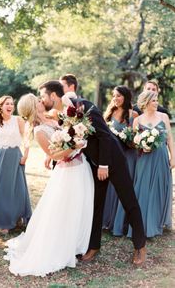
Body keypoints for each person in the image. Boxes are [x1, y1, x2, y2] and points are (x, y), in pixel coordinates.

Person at [38, 80, 146, 265]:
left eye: (43, 96)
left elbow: (104, 134)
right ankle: (93, 245)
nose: (42, 100)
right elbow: (72, 140)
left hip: (112, 160)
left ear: (53, 96)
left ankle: (140, 247)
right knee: (95, 205)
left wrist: (104, 165)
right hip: (92, 164)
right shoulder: (62, 115)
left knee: (129, 201)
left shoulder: (84, 106)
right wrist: (53, 153)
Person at [4, 93, 94, 277]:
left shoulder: (54, 117)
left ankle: (77, 243)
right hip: (68, 172)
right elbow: (55, 155)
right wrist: (75, 146)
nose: (41, 100)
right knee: (65, 209)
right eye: (37, 100)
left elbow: (67, 133)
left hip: (80, 165)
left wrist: (78, 137)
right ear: (33, 106)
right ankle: (63, 245)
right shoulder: (38, 131)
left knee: (81, 205)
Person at [127, 91, 174, 238]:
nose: (156, 103)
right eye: (154, 100)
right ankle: (143, 224)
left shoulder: (163, 117)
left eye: (157, 100)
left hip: (160, 156)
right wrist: (142, 145)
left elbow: (170, 139)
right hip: (144, 158)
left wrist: (173, 157)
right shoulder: (137, 120)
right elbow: (134, 141)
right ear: (146, 102)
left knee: (160, 187)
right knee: (143, 188)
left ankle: (157, 222)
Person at [0, 95, 32, 234]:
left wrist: (26, 155)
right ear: (0, 107)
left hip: (15, 157)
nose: (10, 106)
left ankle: (16, 218)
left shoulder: (18, 120)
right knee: (1, 191)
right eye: (7, 104)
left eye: (12, 104)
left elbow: (26, 138)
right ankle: (4, 222)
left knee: (17, 189)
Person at [102, 86, 138, 233]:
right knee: (111, 187)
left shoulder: (133, 114)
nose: (115, 99)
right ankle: (108, 219)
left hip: (128, 155)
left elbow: (136, 138)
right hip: (111, 156)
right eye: (113, 96)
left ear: (125, 97)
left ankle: (121, 223)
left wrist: (129, 140)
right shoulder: (109, 113)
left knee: (124, 187)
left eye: (118, 96)